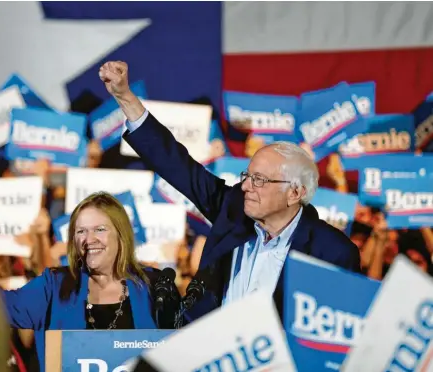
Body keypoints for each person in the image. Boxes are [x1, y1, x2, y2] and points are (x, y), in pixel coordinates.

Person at [99, 61, 361, 321]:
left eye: (259, 180)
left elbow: (333, 333)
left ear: (295, 193)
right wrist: (125, 97)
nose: (246, 186)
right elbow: (176, 165)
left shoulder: (332, 252)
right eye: (247, 176)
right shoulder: (233, 210)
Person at [0, 192, 179, 372]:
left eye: (100, 229)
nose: (89, 239)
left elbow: (186, 345)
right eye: (81, 231)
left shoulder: (153, 286)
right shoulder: (54, 286)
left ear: (121, 235)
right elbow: (1, 309)